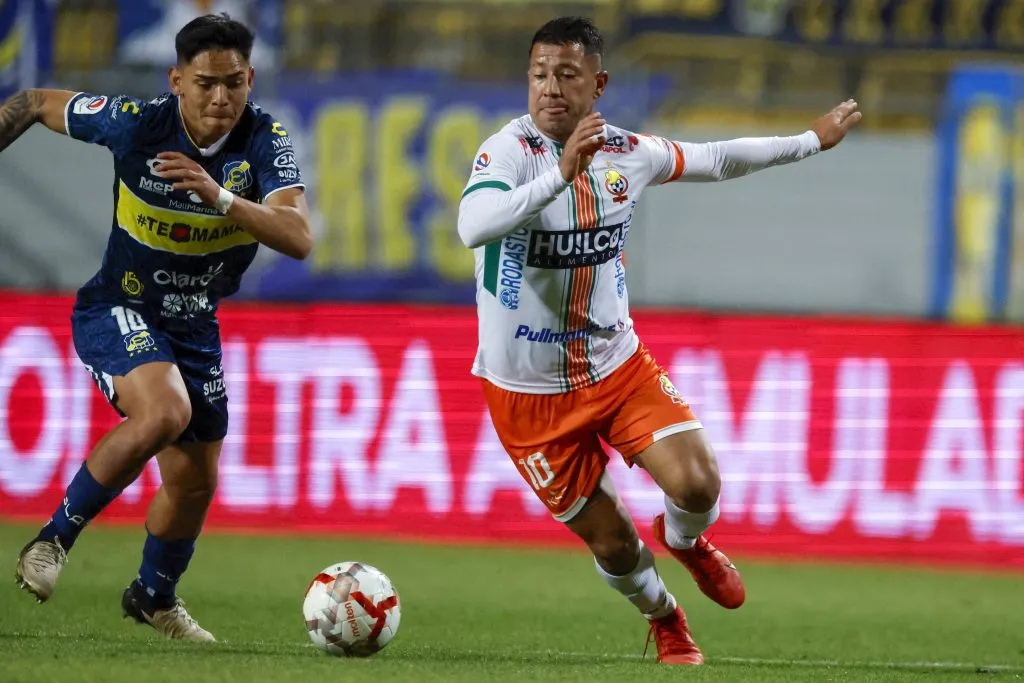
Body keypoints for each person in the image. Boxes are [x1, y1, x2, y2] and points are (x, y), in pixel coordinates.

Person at [457, 16, 860, 665]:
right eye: (538, 75)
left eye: (567, 75)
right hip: (527, 393)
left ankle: (689, 541)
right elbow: (472, 226)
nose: (550, 89)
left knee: (699, 483)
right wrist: (560, 173)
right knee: (612, 543)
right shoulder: (505, 153)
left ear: (600, 84)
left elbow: (718, 158)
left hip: (615, 365)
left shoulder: (627, 154)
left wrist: (810, 140)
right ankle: (667, 617)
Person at [3, 13, 310, 641]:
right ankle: (52, 541)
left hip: (195, 324)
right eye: (205, 83)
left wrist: (218, 197)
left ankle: (152, 596)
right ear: (176, 80)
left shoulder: (264, 140)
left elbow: (300, 237)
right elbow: (33, 101)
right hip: (120, 306)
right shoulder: (136, 123)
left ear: (250, 78)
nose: (220, 97)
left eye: (233, 82)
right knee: (164, 413)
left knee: (195, 482)